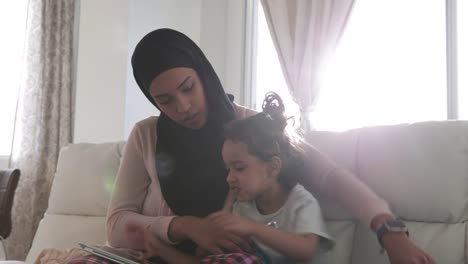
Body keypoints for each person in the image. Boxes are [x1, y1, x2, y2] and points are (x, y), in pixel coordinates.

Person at [106, 28, 434, 264]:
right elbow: (117, 224)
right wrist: (187, 227)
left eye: (188, 88)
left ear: (203, 74)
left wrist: (390, 232)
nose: (183, 107)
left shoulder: (253, 129)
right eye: (165, 100)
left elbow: (329, 175)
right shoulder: (146, 135)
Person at [128, 92, 333, 263]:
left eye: (239, 168)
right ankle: (160, 250)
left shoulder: (299, 201)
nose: (229, 178)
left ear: (272, 167)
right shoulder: (240, 204)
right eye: (227, 169)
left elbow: (307, 249)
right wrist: (207, 238)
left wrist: (254, 229)